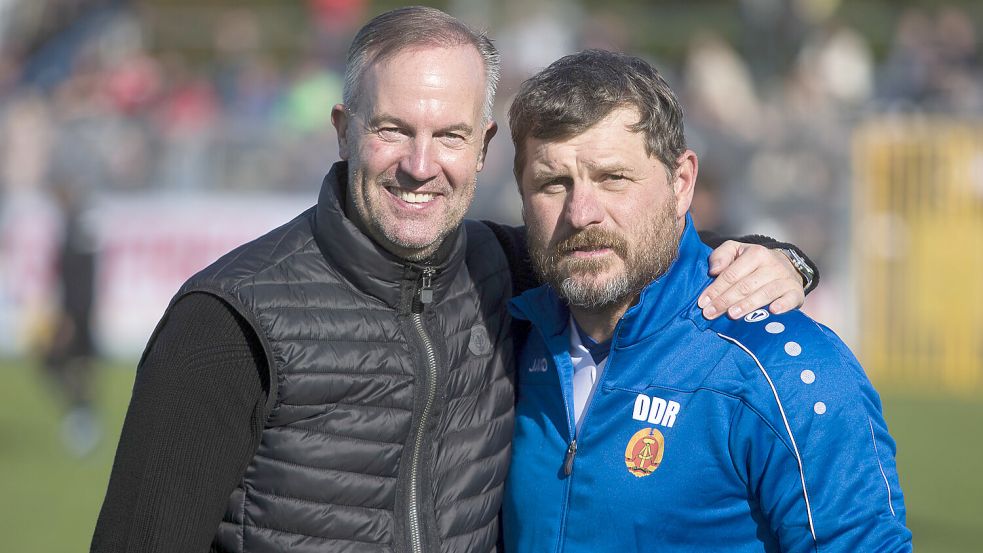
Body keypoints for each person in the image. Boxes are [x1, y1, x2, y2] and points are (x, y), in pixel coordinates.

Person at [91, 8, 816, 553]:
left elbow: (630, 246)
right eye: (391, 129)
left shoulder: (510, 271)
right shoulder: (229, 319)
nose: (419, 163)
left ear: (485, 149)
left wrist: (774, 255)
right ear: (343, 130)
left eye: (449, 136)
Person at [503, 49, 911, 552]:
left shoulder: (787, 366)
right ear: (521, 195)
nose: (582, 212)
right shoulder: (504, 327)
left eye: (614, 178)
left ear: (681, 184)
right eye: (552, 183)